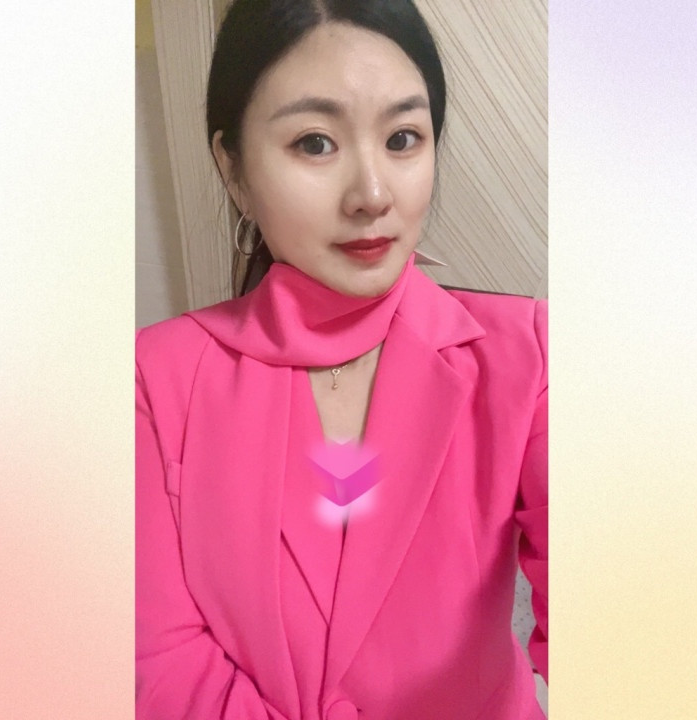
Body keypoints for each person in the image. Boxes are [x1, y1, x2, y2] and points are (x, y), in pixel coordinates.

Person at [135, 1, 548, 718]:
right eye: (315, 143)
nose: (373, 195)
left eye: (403, 138)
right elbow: (160, 665)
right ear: (234, 169)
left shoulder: (526, 354)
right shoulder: (153, 379)